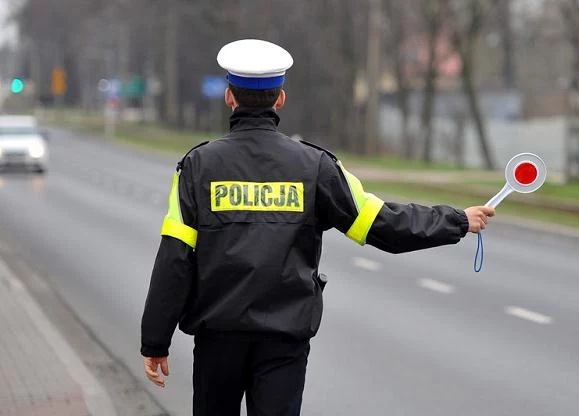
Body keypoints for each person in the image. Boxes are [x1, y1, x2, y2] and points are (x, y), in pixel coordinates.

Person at [140, 39, 495, 416]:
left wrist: (155, 341)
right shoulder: (315, 166)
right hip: (283, 341)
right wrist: (457, 220)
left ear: (230, 97)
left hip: (218, 340)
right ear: (280, 100)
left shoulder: (198, 167)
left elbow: (175, 258)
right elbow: (382, 225)